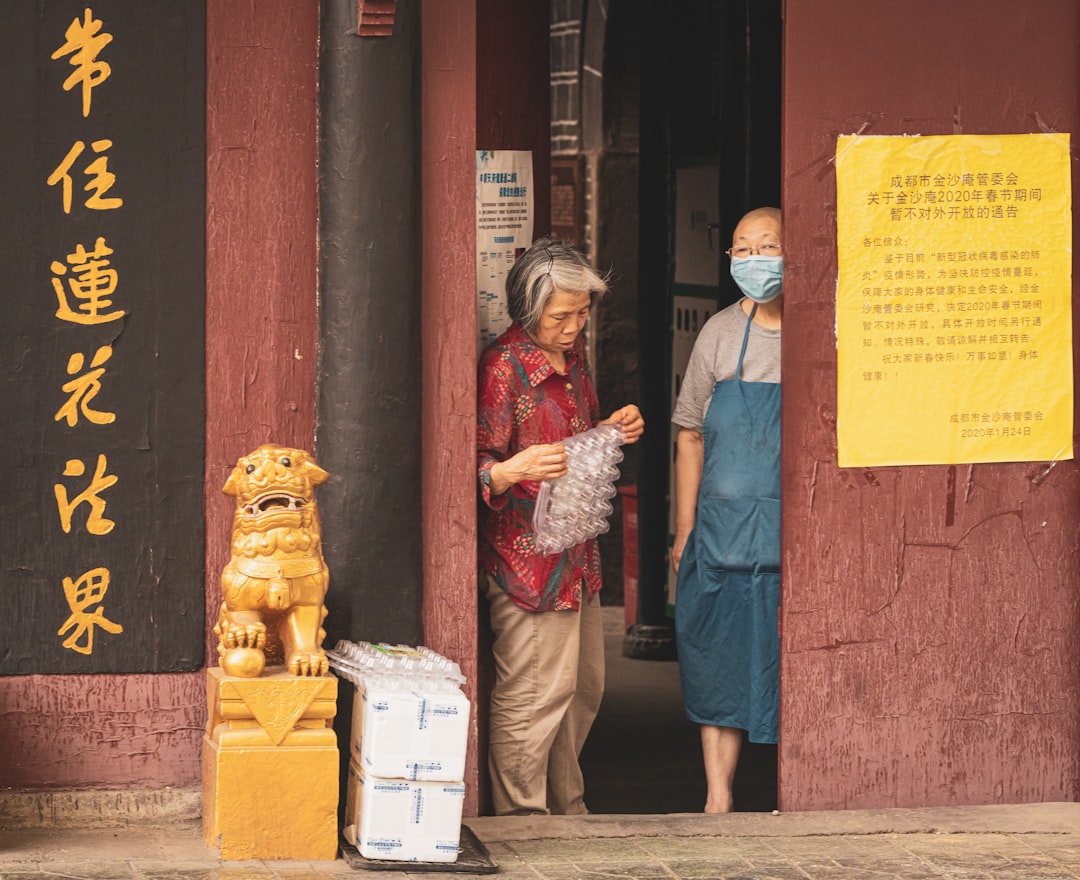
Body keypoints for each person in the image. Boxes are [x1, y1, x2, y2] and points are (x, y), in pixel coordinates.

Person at [477, 237, 645, 816]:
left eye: (582, 313)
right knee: (533, 698)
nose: (574, 326)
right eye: (561, 315)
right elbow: (476, 461)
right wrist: (510, 469)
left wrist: (611, 427)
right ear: (529, 312)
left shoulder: (572, 362)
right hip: (527, 564)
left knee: (581, 693)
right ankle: (524, 818)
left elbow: (577, 434)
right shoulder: (504, 368)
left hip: (575, 554)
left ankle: (567, 811)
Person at [670, 206, 783, 813]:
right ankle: (719, 799)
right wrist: (685, 530)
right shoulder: (717, 334)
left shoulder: (821, 334)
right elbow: (689, 432)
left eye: (768, 246)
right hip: (721, 537)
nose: (754, 259)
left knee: (785, 660)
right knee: (718, 661)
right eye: (742, 249)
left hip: (790, 539)